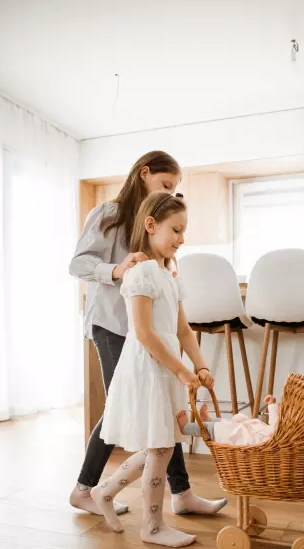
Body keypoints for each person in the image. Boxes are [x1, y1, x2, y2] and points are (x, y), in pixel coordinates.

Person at [69, 151, 227, 519]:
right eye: (165, 184)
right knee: (119, 408)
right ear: (144, 173)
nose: (169, 192)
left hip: (148, 331)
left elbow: (180, 324)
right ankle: (84, 490)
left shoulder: (157, 233)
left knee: (167, 407)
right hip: (113, 324)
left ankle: (181, 493)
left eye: (174, 189)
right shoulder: (110, 214)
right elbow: (78, 263)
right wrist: (117, 268)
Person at [91, 191, 216, 547]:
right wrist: (180, 370)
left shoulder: (169, 276)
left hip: (166, 366)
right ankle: (152, 526)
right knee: (161, 447)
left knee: (159, 446)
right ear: (150, 225)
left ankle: (104, 491)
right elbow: (144, 333)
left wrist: (200, 365)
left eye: (184, 231)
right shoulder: (141, 273)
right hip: (149, 367)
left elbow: (183, 330)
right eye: (175, 230)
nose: (181, 238)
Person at [177, 396, 279, 446]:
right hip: (249, 429)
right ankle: (209, 420)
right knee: (229, 422)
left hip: (244, 438)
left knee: (219, 428)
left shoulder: (277, 441)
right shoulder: (278, 432)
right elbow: (275, 423)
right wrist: (272, 404)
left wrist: (272, 405)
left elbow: (275, 425)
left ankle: (187, 428)